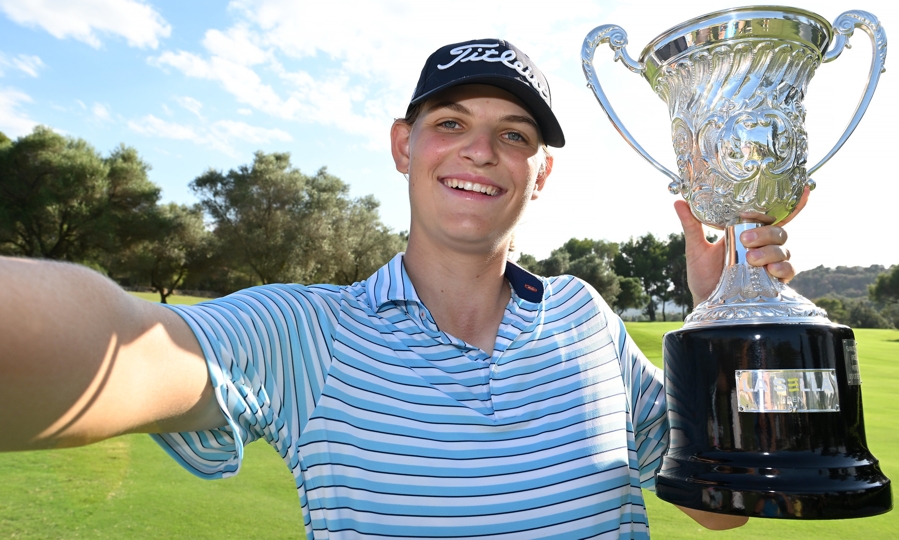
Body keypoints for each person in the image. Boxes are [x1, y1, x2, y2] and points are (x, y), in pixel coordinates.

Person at [0, 39, 800, 539]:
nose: (480, 150)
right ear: (402, 144)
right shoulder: (303, 335)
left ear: (541, 171)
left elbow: (719, 509)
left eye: (513, 135)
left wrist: (720, 322)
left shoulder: (586, 319)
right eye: (450, 123)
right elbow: (119, 344)